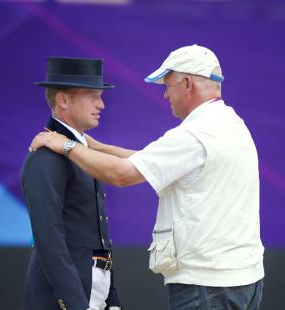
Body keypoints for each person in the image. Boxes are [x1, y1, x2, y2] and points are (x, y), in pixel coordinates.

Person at [30, 45, 265, 309]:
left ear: (187, 84)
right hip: (243, 278)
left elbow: (121, 174)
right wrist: (95, 147)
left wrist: (67, 146)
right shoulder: (231, 124)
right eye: (92, 95)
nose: (165, 94)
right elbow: (153, 160)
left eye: (167, 85)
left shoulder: (194, 135)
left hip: (207, 285)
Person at [21, 57, 121, 310]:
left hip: (94, 290)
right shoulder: (45, 159)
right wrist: (75, 304)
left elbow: (98, 238)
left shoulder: (82, 151)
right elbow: (49, 241)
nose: (101, 104)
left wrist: (112, 299)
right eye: (92, 96)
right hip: (67, 297)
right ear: (63, 100)